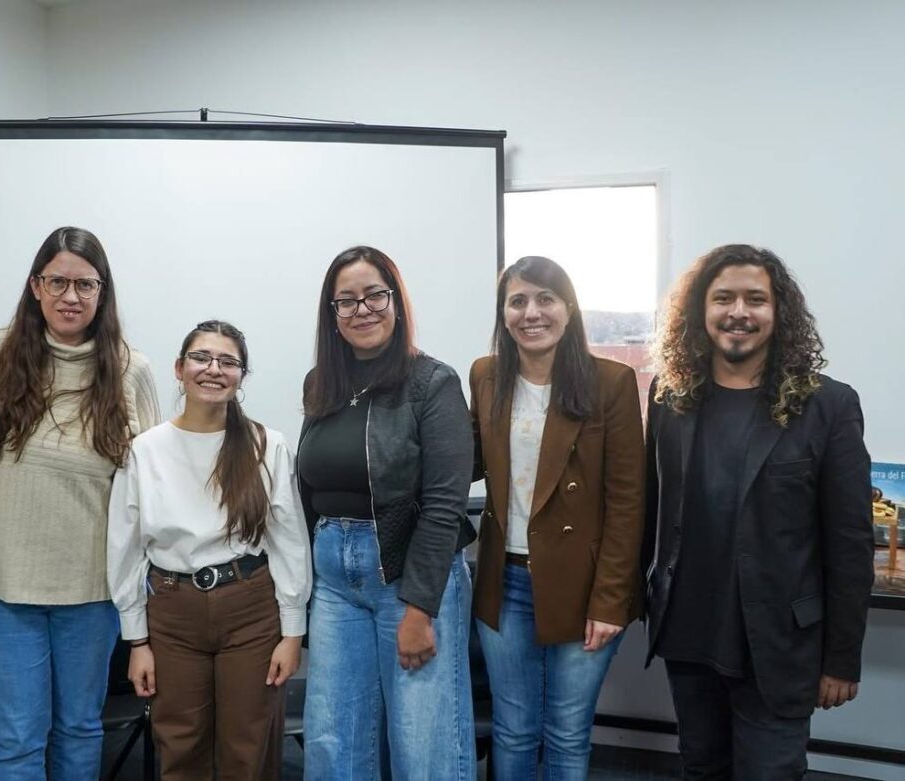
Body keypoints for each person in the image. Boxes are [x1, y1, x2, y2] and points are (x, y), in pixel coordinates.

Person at [643, 244, 874, 779]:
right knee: (700, 767)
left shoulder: (829, 406)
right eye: (723, 297)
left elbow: (850, 542)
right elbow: (655, 507)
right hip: (688, 632)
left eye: (755, 299)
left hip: (778, 642)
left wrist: (842, 658)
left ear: (779, 312)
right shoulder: (669, 397)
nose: (738, 312)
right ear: (701, 310)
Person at [0, 227, 160, 779]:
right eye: (58, 281)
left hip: (90, 591)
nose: (71, 296)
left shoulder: (129, 369)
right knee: (17, 737)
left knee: (79, 728)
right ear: (35, 286)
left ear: (102, 291)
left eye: (85, 284)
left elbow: (150, 481)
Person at [298, 246, 476, 780]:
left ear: (396, 300)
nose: (363, 309)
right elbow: (309, 488)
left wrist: (420, 609)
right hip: (333, 578)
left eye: (375, 294)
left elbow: (445, 502)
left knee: (422, 748)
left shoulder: (433, 383)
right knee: (333, 743)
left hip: (408, 572)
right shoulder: (321, 384)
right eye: (346, 301)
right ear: (332, 315)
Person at [107, 319, 312, 780]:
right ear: (179, 369)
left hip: (251, 609)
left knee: (250, 748)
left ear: (241, 376)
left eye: (228, 361)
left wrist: (293, 631)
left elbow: (288, 541)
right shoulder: (145, 450)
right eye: (201, 358)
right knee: (180, 748)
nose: (213, 369)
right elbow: (125, 548)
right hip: (173, 614)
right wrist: (136, 640)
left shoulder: (265, 444)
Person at [470, 256, 645, 779]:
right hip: (505, 581)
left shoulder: (610, 382)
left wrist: (611, 601)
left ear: (568, 308)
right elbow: (468, 460)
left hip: (584, 584)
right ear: (504, 314)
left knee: (567, 734)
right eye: (517, 301)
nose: (532, 313)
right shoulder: (485, 375)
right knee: (513, 730)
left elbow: (627, 502)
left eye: (545, 299)